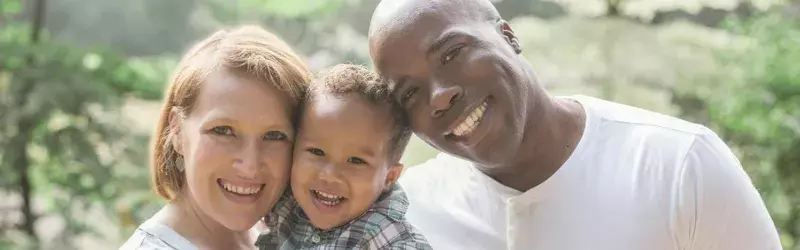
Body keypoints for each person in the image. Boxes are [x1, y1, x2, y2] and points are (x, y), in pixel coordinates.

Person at [366, 0, 782, 249]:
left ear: (508, 37)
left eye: (451, 53)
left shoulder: (680, 166)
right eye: (409, 93)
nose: (439, 95)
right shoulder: (407, 216)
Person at [120, 25, 312, 250]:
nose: (249, 166)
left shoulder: (285, 237)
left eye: (274, 136)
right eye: (223, 131)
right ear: (177, 131)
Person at [253, 64, 432, 250]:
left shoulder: (393, 242)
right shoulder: (285, 203)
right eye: (316, 152)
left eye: (356, 161)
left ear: (389, 177)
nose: (329, 175)